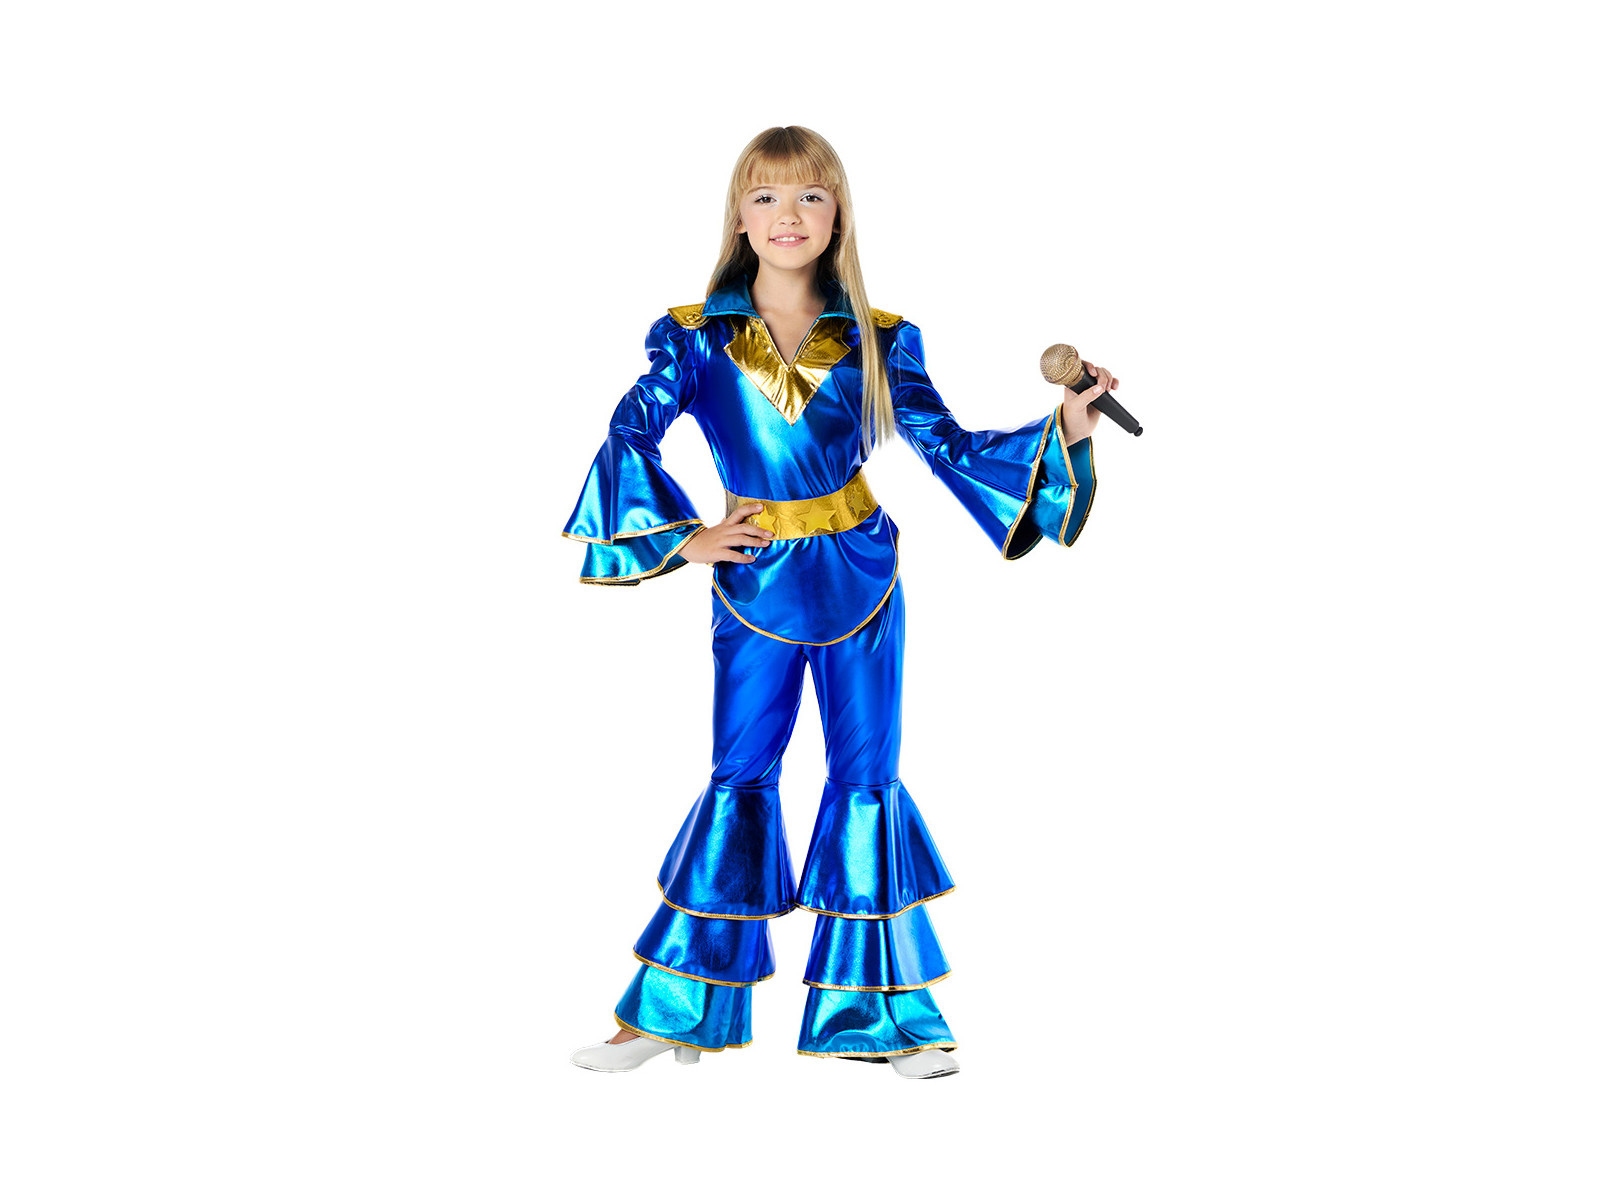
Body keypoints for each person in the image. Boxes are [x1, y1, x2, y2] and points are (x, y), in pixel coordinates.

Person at [562, 126, 1115, 1080]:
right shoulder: (694, 335)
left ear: (838, 216)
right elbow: (628, 433)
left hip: (863, 579)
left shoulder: (879, 337)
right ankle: (679, 1011)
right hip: (754, 582)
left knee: (866, 782)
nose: (789, 215)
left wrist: (1067, 421)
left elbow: (949, 446)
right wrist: (686, 536)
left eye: (811, 196)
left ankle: (884, 1018)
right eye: (768, 197)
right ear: (740, 217)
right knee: (739, 778)